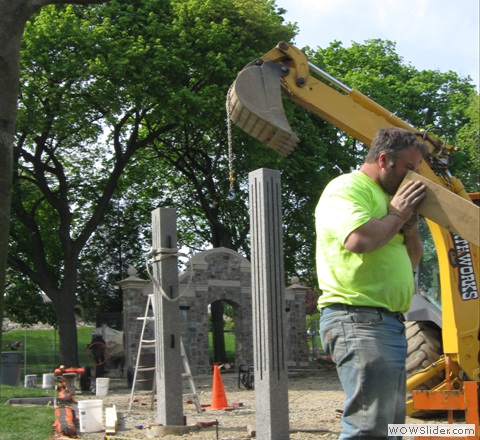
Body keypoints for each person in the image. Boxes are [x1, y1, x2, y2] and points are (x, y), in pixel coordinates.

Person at [316, 127, 428, 439]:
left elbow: (411, 262)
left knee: (387, 428)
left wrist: (410, 227)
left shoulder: (391, 201)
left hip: (385, 323)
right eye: (408, 168)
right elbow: (359, 239)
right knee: (369, 428)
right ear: (383, 159)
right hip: (359, 319)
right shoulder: (348, 188)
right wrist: (397, 216)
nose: (413, 177)